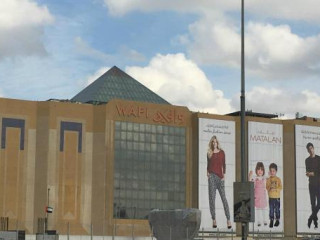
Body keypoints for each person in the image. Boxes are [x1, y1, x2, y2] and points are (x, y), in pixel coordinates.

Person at [207, 135, 231, 229]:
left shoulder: (222, 153)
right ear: (211, 143)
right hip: (212, 176)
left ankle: (228, 219)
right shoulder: (209, 153)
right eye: (213, 142)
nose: (214, 143)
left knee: (224, 199)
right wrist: (208, 174)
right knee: (212, 199)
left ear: (217, 143)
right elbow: (208, 165)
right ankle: (214, 219)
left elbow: (224, 164)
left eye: (215, 142)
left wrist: (224, 175)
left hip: (220, 178)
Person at [305, 142, 320, 229]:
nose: (311, 150)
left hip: (319, 184)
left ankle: (310, 218)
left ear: (313, 148)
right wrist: (310, 173)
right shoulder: (307, 160)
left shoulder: (319, 158)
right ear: (307, 151)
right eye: (309, 149)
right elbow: (307, 172)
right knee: (313, 204)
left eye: (311, 148)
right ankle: (315, 222)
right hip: (311, 184)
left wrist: (313, 173)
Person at [249, 162, 268, 227]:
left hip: (262, 196)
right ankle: (259, 221)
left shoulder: (264, 178)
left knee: (263, 209)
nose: (260, 171)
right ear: (256, 170)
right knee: (258, 209)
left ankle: (265, 220)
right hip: (257, 196)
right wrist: (250, 176)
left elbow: (268, 178)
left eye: (261, 170)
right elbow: (250, 183)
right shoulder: (255, 178)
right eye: (258, 169)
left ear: (263, 171)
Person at [266, 163, 282, 228]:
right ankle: (271, 220)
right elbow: (267, 187)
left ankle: (277, 220)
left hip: (277, 197)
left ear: (276, 171)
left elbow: (280, 187)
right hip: (271, 197)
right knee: (271, 209)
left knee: (277, 209)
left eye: (273, 171)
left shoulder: (278, 179)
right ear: (269, 171)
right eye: (271, 171)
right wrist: (270, 188)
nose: (272, 172)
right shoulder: (268, 179)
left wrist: (276, 189)